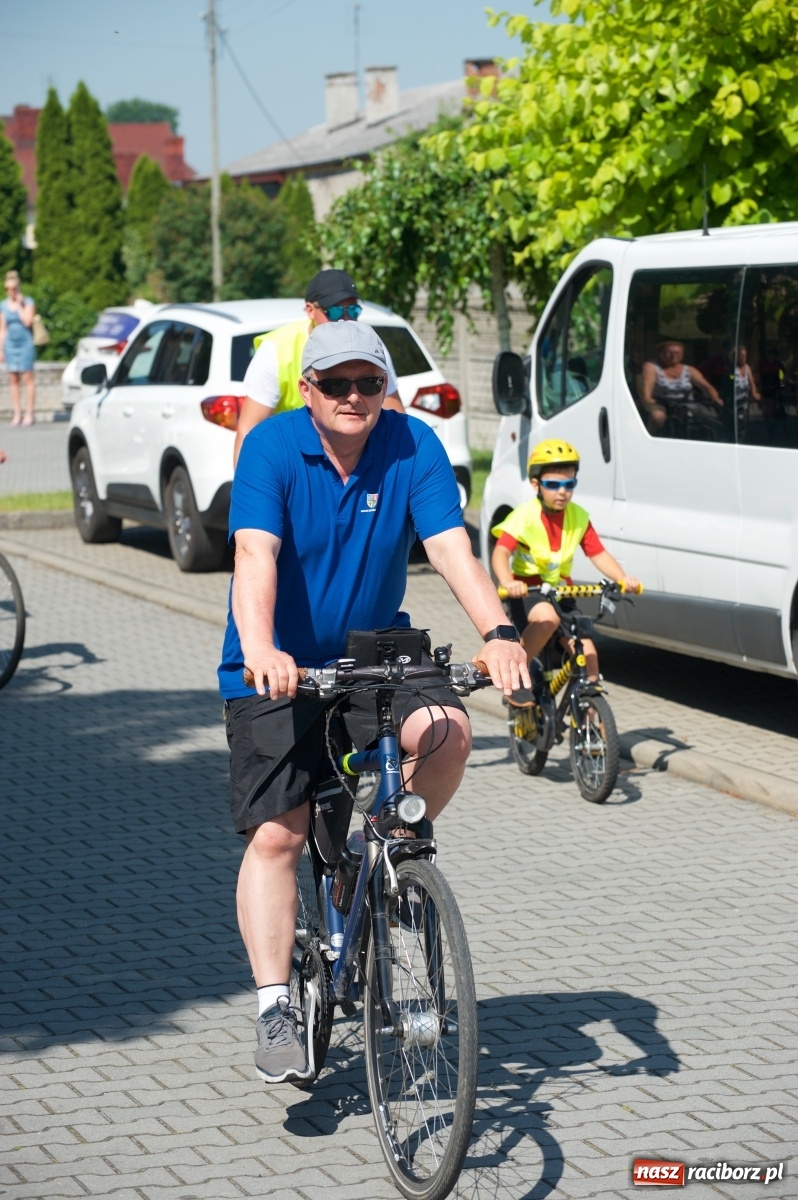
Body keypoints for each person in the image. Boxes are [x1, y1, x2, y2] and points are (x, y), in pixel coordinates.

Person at [220, 320, 530, 1084]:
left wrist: (497, 630)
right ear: (308, 391)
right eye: (336, 384)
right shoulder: (270, 448)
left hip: (374, 650)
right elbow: (254, 551)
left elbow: (450, 543)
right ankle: (274, 1009)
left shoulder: (411, 444)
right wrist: (262, 649)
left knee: (449, 728)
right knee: (280, 838)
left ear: (384, 389)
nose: (353, 397)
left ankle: (379, 853)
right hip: (277, 668)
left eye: (368, 383)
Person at [490, 438, 640, 691]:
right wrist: (507, 582)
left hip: (562, 593)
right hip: (529, 594)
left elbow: (598, 553)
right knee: (546, 618)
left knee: (588, 652)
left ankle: (591, 713)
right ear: (536, 484)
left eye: (569, 484)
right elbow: (500, 552)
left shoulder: (578, 517)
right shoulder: (523, 517)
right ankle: (516, 676)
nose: (563, 491)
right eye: (553, 484)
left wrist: (623, 578)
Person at [233, 268, 404, 464]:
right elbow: (249, 431)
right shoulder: (276, 350)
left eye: (353, 310)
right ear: (310, 310)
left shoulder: (371, 348)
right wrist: (247, 488)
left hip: (359, 465)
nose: (345, 319)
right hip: (294, 462)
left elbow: (397, 421)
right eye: (335, 311)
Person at [640, 340, 722, 434]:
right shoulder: (652, 366)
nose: (674, 355)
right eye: (670, 353)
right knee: (658, 417)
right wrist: (648, 398)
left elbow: (706, 386)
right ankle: (649, 438)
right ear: (661, 353)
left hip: (685, 404)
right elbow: (648, 385)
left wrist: (716, 399)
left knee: (710, 417)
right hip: (661, 402)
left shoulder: (689, 370)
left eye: (677, 353)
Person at [0, 271, 36, 427]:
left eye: (13, 288)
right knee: (13, 378)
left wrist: (20, 305)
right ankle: (17, 413)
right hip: (10, 344)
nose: (10, 292)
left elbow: (28, 322)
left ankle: (29, 413)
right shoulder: (2, 305)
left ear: (18, 287)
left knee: (27, 377)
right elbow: (2, 328)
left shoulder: (28, 302)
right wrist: (0, 349)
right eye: (7, 289)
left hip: (25, 343)